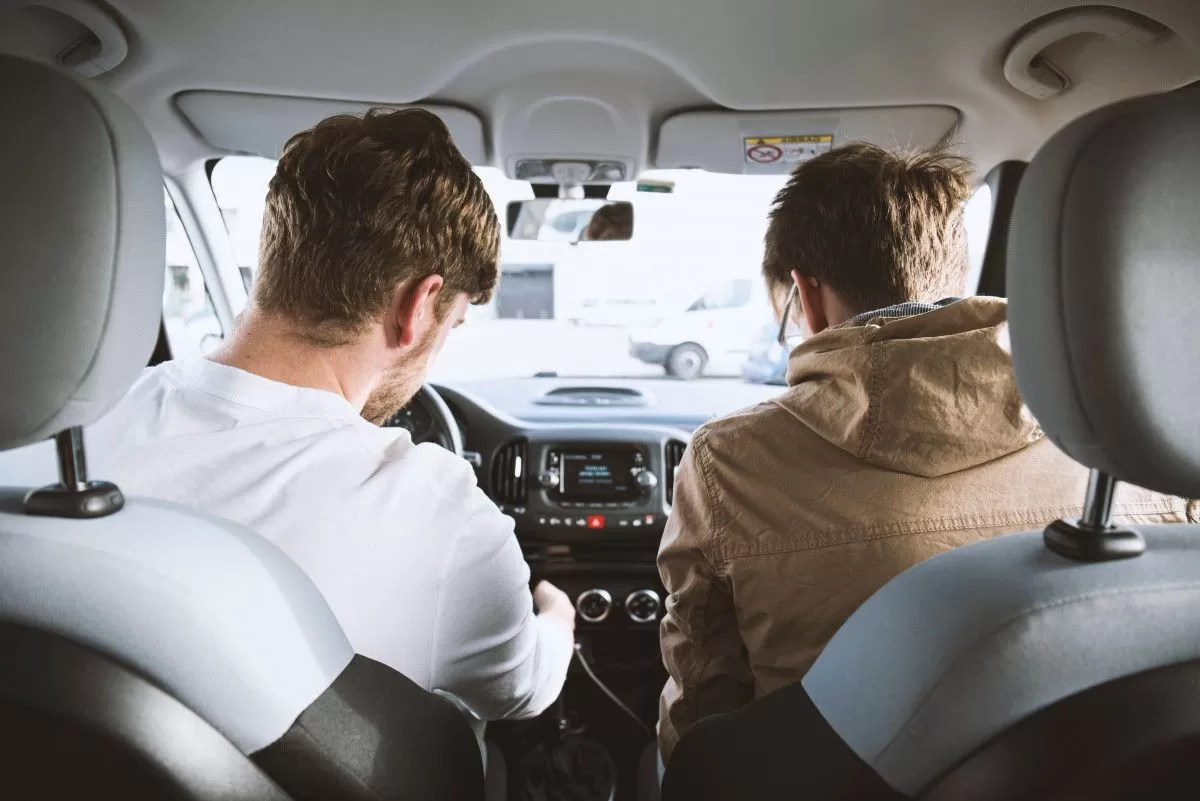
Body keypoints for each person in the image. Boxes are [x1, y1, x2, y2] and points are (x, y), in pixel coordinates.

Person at [655, 142, 1195, 762]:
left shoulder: (728, 460)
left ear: (805, 296)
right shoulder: (1143, 439)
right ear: (955, 282)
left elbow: (704, 698)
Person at [90, 109, 576, 736]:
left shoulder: (64, 433)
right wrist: (556, 615)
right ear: (419, 305)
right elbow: (519, 691)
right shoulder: (441, 514)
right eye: (449, 327)